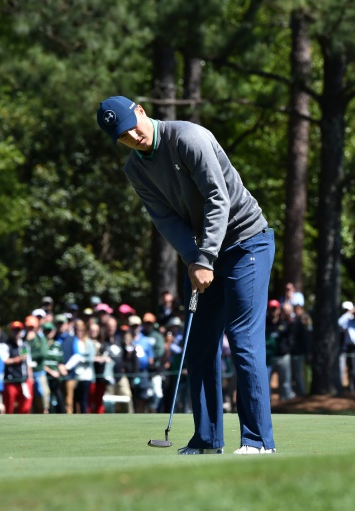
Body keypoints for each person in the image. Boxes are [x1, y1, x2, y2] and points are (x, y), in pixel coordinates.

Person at [97, 96, 275, 454]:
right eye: (123, 136)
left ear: (142, 111)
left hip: (246, 242)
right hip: (205, 252)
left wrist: (205, 257)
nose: (133, 136)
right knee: (199, 344)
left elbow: (217, 198)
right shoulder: (136, 169)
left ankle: (258, 441)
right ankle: (207, 439)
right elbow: (166, 220)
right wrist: (195, 258)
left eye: (133, 125)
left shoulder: (188, 138)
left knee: (242, 339)